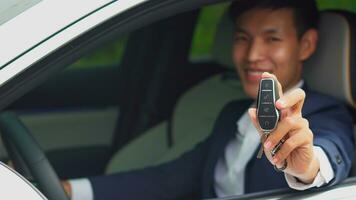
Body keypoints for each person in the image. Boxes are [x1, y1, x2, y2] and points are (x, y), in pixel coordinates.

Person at [63, 0, 354, 199]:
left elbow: (330, 151)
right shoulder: (232, 115)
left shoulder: (327, 113)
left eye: (272, 39)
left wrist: (306, 167)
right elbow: (167, 180)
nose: (252, 55)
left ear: (306, 45)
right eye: (242, 38)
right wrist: (69, 191)